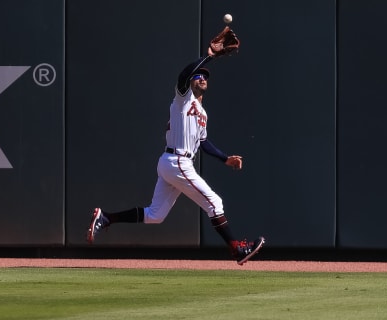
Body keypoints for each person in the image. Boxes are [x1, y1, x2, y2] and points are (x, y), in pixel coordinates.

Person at [86, 44, 265, 265]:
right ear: (190, 82)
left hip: (173, 163)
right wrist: (209, 57)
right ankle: (236, 249)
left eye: (205, 77)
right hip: (177, 160)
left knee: (155, 215)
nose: (202, 78)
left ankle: (106, 218)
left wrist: (224, 158)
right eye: (198, 76)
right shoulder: (183, 99)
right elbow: (183, 74)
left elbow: (203, 141)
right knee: (215, 203)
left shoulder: (203, 113)